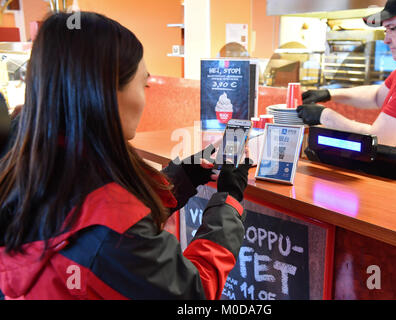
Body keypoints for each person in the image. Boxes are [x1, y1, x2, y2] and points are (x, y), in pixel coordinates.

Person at [0, 12, 251, 300]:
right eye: (144, 84)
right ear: (106, 91)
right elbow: (192, 293)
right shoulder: (113, 231)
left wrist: (190, 171)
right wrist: (229, 198)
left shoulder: (32, 166)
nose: (145, 97)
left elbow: (109, 205)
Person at [297, 0, 396, 190]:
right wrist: (329, 93)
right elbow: (378, 95)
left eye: (392, 28)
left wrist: (324, 116)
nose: (386, 39)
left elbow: (378, 138)